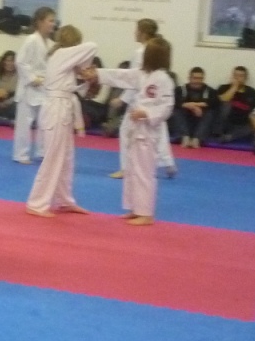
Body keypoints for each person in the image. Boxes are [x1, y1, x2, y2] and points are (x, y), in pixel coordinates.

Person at [85, 36, 174, 226]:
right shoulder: (142, 74)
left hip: (147, 131)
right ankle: (135, 208)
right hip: (136, 129)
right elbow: (120, 76)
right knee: (132, 170)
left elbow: (167, 106)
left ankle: (146, 213)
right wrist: (97, 74)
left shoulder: (164, 79)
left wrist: (146, 113)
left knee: (144, 172)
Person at [25, 25, 97, 218]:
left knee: (66, 158)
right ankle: (36, 203)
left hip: (62, 107)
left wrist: (84, 76)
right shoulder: (62, 55)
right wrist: (83, 67)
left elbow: (70, 88)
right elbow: (92, 46)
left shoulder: (63, 59)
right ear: (74, 43)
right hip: (55, 109)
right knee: (53, 157)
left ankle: (65, 200)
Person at [110, 19, 175, 178]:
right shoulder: (156, 49)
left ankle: (126, 168)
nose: (134, 33)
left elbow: (133, 79)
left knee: (126, 130)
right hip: (154, 98)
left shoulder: (141, 52)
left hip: (140, 98)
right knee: (158, 128)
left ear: (143, 33)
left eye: (137, 30)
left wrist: (123, 99)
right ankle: (168, 162)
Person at [13, 7, 56, 164]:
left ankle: (42, 152)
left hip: (44, 87)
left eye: (54, 21)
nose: (53, 24)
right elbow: (20, 62)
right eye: (50, 20)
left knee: (45, 122)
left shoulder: (52, 44)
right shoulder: (31, 39)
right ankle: (21, 154)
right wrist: (32, 78)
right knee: (24, 123)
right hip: (29, 87)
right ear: (39, 22)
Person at [172, 67, 218, 148]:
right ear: (189, 78)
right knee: (176, 110)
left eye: (200, 78)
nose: (197, 81)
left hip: (201, 124)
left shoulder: (210, 91)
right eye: (195, 78)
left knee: (210, 112)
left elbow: (214, 102)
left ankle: (197, 139)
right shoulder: (180, 90)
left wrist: (195, 105)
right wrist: (192, 106)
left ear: (203, 79)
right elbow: (175, 101)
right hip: (184, 123)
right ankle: (185, 137)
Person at [216, 66, 255, 143]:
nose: (238, 78)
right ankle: (220, 134)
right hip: (225, 122)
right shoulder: (223, 88)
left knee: (254, 125)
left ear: (246, 78)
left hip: (241, 125)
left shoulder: (252, 92)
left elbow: (254, 112)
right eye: (235, 75)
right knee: (226, 104)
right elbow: (222, 100)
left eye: (241, 76)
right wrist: (234, 87)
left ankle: (229, 137)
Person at [0, 51, 19, 123]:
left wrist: (6, 103)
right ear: (3, 62)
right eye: (8, 60)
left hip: (12, 104)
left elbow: (19, 95)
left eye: (12, 61)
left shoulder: (19, 77)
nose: (10, 63)